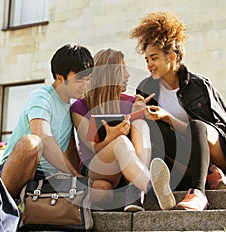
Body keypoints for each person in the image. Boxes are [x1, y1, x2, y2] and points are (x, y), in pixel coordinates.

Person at [131, 12, 226, 211]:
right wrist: (137, 113)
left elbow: (218, 128)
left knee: (197, 126)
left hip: (215, 148)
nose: (149, 64)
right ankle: (208, 173)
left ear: (171, 57)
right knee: (148, 127)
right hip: (185, 154)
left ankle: (198, 192)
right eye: (146, 59)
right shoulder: (146, 88)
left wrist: (168, 118)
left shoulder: (198, 85)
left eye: (154, 58)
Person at [70, 48, 176, 211]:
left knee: (140, 124)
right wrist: (113, 135)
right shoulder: (80, 107)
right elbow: (93, 147)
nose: (127, 75)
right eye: (122, 70)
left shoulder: (131, 101)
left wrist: (137, 114)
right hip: (97, 167)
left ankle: (134, 188)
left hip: (127, 167)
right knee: (120, 142)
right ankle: (150, 188)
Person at [0, 44, 94, 198]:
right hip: (17, 172)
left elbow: (70, 151)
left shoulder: (70, 108)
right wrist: (74, 175)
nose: (85, 86)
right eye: (79, 80)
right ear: (60, 78)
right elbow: (45, 138)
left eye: (88, 79)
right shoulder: (41, 97)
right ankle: (1, 203)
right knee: (32, 143)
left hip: (48, 179)